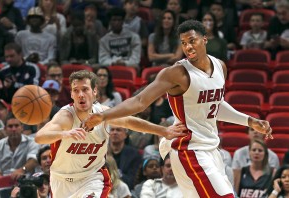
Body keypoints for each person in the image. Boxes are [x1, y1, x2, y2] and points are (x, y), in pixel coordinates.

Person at [82, 19, 273, 197]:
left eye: (192, 40)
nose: (188, 47)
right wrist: (103, 116)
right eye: (183, 43)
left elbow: (214, 106)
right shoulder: (176, 73)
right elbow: (139, 101)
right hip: (189, 149)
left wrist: (249, 121)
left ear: (205, 39)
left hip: (211, 149)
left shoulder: (220, 66)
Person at [34, 70, 186, 198]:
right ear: (72, 95)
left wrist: (163, 131)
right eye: (76, 90)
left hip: (91, 178)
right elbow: (39, 137)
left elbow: (129, 122)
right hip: (61, 180)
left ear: (94, 92)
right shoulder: (66, 117)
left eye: (85, 89)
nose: (81, 94)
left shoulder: (103, 114)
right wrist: (65, 134)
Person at [0, 113, 40, 181]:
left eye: (16, 126)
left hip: (26, 181)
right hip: (6, 182)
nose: (14, 129)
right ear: (5, 129)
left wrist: (22, 170)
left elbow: (33, 160)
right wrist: (1, 181)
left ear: (22, 128)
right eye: (10, 126)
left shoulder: (32, 142)